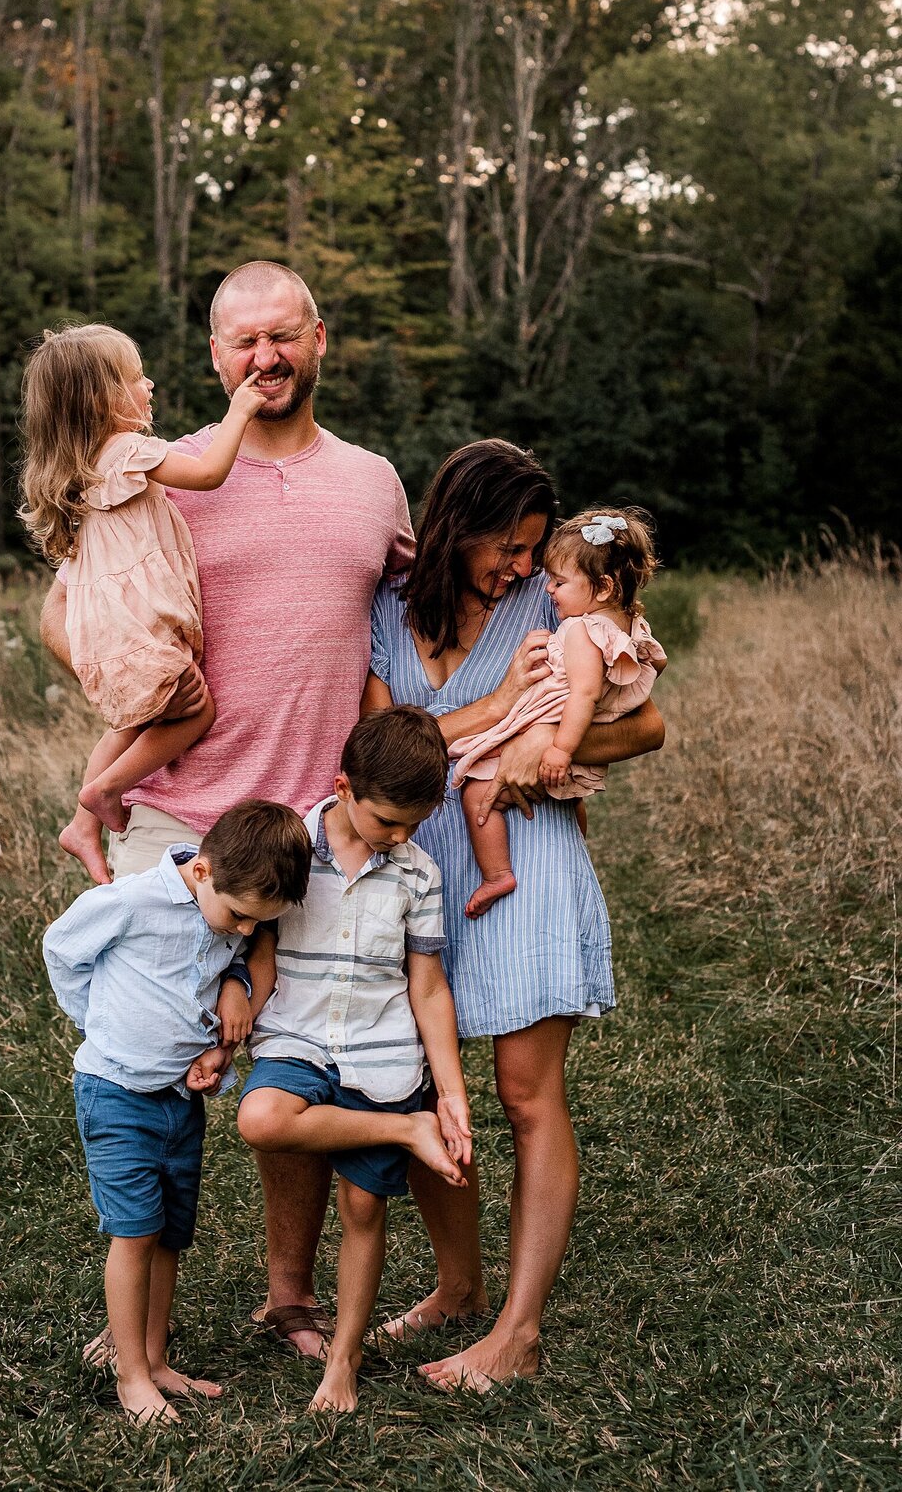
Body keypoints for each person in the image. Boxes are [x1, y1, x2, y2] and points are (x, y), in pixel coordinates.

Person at [39, 260, 414, 1359]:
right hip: (180, 823)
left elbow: (410, 620)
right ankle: (136, 1306)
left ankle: (289, 1295)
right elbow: (63, 609)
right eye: (242, 340)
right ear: (215, 355)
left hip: (316, 824)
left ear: (318, 338)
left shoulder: (374, 482)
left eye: (283, 336)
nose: (265, 356)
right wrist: (131, 688)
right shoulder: (163, 470)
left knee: (300, 1062)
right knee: (157, 1062)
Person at [362, 439, 664, 1391]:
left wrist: (554, 747)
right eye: (511, 546)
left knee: (528, 1097)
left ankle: (518, 1332)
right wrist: (496, 708)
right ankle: (457, 1290)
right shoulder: (384, 613)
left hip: (526, 860)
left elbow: (649, 721)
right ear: (457, 526)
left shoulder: (554, 604)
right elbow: (377, 747)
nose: (524, 567)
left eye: (537, 549)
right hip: (415, 876)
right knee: (410, 1087)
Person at [42, 799, 312, 1424]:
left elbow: (235, 962)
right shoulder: (132, 901)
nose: (244, 931)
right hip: (115, 1091)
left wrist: (236, 991)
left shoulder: (224, 913)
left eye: (257, 923)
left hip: (179, 1099)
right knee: (134, 1231)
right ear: (202, 870)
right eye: (241, 916)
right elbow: (62, 946)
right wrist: (99, 1019)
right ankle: (130, 1375)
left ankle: (156, 1358)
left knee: (168, 1234)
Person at [236, 708, 474, 1412]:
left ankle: (344, 1358)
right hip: (298, 1038)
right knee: (260, 1117)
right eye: (386, 822)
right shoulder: (288, 847)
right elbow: (253, 943)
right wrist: (233, 1015)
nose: (399, 837)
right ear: (342, 787)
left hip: (381, 1048)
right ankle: (405, 1132)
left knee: (364, 1203)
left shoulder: (418, 874)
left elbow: (427, 986)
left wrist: (450, 1093)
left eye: (413, 825)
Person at [18, 322, 267, 883]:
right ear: (105, 399)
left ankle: (83, 822)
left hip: (108, 633)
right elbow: (207, 472)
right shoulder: (127, 451)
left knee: (134, 722)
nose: (150, 385)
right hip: (141, 632)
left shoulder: (82, 475)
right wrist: (241, 411)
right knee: (196, 710)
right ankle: (105, 790)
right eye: (137, 378)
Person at [450, 507, 667, 907]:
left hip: (554, 727)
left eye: (559, 581)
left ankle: (496, 874)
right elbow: (648, 667)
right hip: (566, 729)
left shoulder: (583, 630)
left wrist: (559, 749)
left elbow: (583, 694)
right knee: (571, 802)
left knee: (475, 790)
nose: (547, 589)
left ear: (602, 588)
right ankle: (574, 853)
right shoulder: (623, 625)